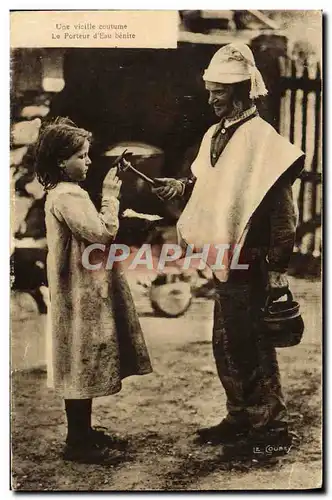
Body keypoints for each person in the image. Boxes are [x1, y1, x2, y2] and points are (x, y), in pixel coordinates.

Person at [152, 43, 304, 455]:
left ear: (238, 91)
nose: (211, 99)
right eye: (209, 91)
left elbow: (281, 213)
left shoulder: (262, 141)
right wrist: (181, 188)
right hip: (226, 260)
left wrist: (277, 266)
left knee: (254, 342)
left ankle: (270, 432)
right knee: (227, 339)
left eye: (218, 91)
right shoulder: (215, 135)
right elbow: (211, 188)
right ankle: (240, 415)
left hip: (252, 259)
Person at [34, 117, 152, 464]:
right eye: (81, 157)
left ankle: (82, 432)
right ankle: (78, 442)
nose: (87, 162)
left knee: (80, 360)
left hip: (83, 288)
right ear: (61, 161)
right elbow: (102, 233)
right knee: (79, 361)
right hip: (81, 291)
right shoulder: (68, 195)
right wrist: (111, 198)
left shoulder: (63, 192)